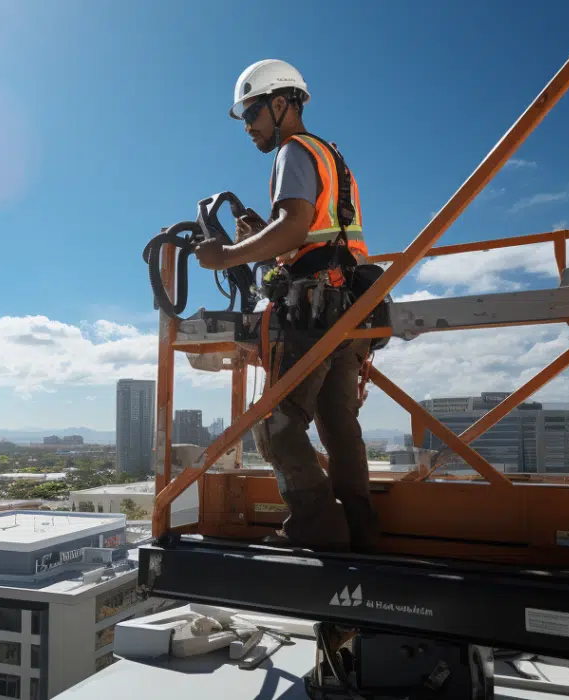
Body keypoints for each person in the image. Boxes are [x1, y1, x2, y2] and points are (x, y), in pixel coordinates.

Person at [195, 59, 382, 554]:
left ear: (281, 104)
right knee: (337, 424)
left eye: (253, 112)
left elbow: (297, 228)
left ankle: (318, 528)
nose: (250, 126)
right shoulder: (330, 154)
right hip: (344, 306)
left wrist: (226, 256)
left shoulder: (292, 151)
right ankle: (359, 529)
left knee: (275, 427)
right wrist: (265, 236)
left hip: (311, 311)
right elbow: (314, 238)